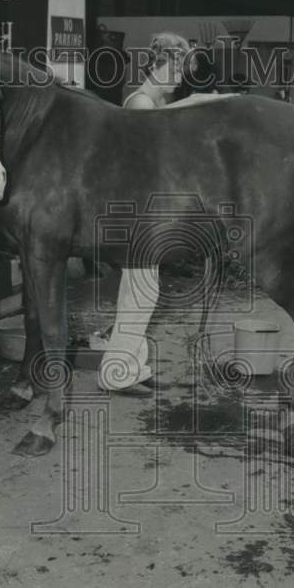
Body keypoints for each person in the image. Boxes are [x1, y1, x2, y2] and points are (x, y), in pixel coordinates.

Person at [97, 32, 193, 394]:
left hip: (144, 208)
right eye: (179, 69)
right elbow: (155, 160)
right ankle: (116, 374)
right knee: (138, 292)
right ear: (161, 65)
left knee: (143, 292)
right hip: (133, 211)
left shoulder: (150, 103)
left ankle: (132, 367)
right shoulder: (139, 103)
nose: (182, 78)